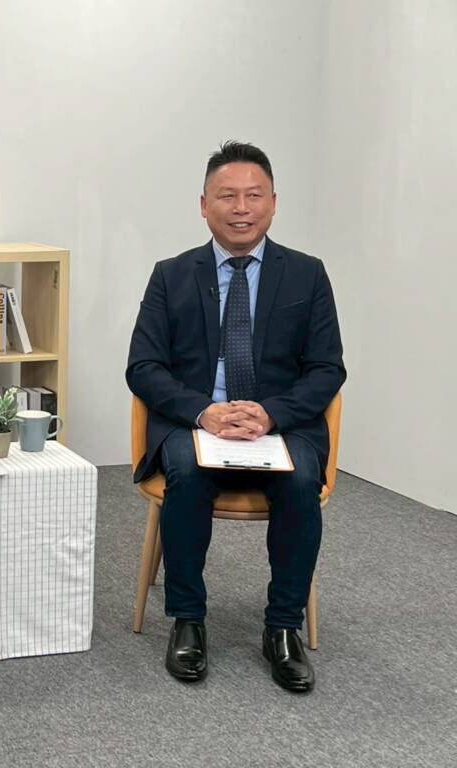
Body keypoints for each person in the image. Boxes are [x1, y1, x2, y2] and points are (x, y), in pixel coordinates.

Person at [125, 141, 345, 693]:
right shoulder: (171, 275)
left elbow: (327, 369)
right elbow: (143, 367)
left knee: (300, 479)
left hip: (280, 425)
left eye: (254, 195)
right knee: (186, 472)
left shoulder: (308, 275)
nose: (241, 208)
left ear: (274, 202)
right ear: (204, 205)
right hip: (197, 423)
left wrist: (271, 414)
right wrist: (203, 412)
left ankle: (283, 628)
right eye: (227, 196)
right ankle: (188, 619)